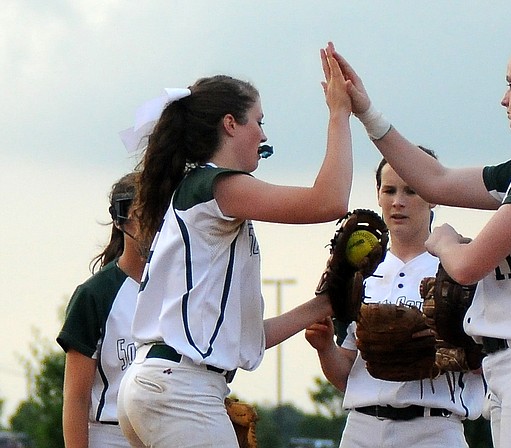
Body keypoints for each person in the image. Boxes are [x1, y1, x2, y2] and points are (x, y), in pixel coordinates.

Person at [327, 32, 511, 448]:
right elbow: (436, 181)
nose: (504, 98)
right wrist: (367, 112)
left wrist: (446, 241)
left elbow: (469, 265)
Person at [116, 45, 353, 448]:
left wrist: (321, 305)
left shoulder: (198, 193)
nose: (262, 133)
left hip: (158, 384)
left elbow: (244, 339)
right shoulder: (217, 187)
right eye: (257, 121)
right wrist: (339, 113)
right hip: (181, 391)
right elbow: (329, 202)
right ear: (230, 124)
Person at [305, 149, 485, 448]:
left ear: (433, 195)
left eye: (411, 190)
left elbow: (490, 362)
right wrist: (324, 348)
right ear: (378, 195)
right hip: (362, 427)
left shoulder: (458, 268)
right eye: (389, 190)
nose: (397, 201)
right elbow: (347, 375)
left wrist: (451, 345)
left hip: (435, 428)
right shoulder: (361, 274)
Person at [58, 172, 144, 447]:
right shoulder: (96, 294)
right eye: (143, 212)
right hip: (110, 435)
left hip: (170, 433)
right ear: (121, 219)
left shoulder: (181, 289)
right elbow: (76, 399)